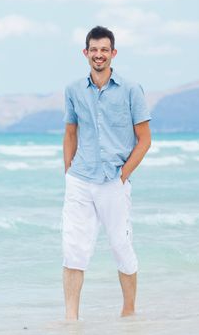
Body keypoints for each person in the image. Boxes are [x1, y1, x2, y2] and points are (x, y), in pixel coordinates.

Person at [61, 26, 152, 320]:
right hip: (80, 180)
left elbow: (145, 139)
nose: (98, 55)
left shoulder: (131, 89)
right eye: (93, 50)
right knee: (73, 250)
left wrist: (123, 175)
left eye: (104, 50)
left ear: (113, 54)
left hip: (114, 180)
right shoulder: (73, 90)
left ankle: (129, 312)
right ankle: (71, 319)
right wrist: (69, 173)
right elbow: (70, 133)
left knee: (121, 246)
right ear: (85, 53)